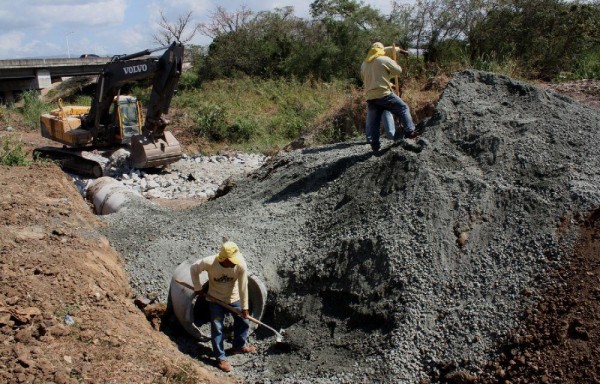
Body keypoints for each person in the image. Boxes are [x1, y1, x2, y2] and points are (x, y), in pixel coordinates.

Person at [190, 241, 256, 372]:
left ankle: (238, 346)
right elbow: (193, 268)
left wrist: (244, 308)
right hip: (215, 300)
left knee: (244, 321)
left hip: (234, 298)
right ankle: (220, 358)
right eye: (231, 260)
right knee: (217, 327)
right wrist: (198, 288)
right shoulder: (209, 262)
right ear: (223, 258)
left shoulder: (240, 264)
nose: (234, 263)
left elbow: (243, 287)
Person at [361, 42, 418, 152]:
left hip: (371, 98)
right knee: (403, 108)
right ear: (381, 50)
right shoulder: (383, 59)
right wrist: (393, 63)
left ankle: (375, 146)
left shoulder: (364, 64)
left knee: (375, 123)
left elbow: (370, 79)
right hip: (384, 95)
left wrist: (387, 80)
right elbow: (398, 71)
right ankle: (410, 131)